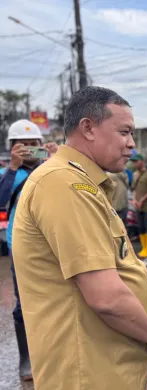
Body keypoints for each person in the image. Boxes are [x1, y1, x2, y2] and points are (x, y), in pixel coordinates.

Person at [11, 86, 147, 390]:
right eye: (124, 132)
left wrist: (146, 334)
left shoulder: (82, 183)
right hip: (89, 373)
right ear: (88, 127)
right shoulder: (62, 183)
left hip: (108, 363)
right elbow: (107, 297)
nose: (131, 144)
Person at [0, 119, 57, 382]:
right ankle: (26, 358)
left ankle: (55, 352)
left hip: (53, 242)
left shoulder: (52, 167)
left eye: (35, 145)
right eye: (22, 146)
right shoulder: (7, 174)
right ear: (11, 148)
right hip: (20, 245)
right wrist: (12, 168)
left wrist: (57, 160)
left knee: (57, 298)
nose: (29, 150)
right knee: (23, 302)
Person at [131, 153, 147, 261]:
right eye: (133, 162)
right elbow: (134, 189)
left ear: (142, 161)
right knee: (141, 227)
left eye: (136, 161)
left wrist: (142, 200)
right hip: (138, 206)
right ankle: (144, 248)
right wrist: (134, 200)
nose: (135, 164)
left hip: (146, 206)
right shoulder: (135, 174)